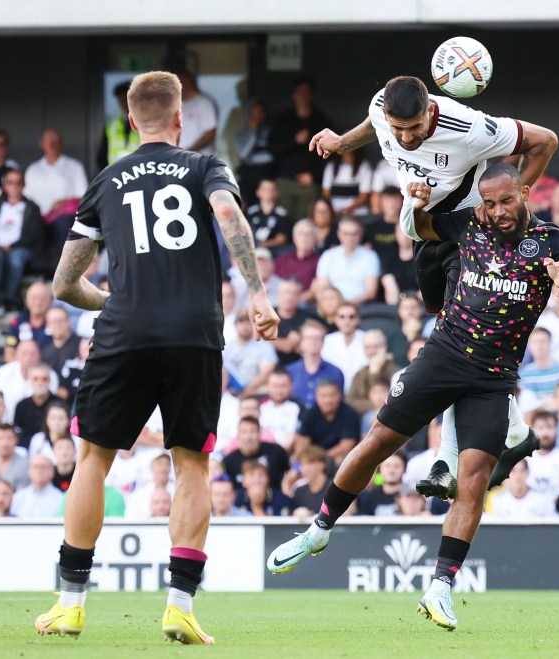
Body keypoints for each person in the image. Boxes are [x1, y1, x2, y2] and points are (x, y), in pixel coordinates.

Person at [266, 162, 559, 632]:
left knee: (473, 480)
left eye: (506, 201)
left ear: (525, 191)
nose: (497, 211)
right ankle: (318, 531)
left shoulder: (554, 242)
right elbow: (420, 227)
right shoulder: (469, 222)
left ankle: (440, 587)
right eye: (490, 202)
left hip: (494, 377)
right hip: (443, 356)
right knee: (378, 441)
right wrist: (414, 200)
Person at [35, 71, 280, 645]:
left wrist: (114, 302)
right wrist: (259, 295)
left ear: (128, 119)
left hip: (126, 331)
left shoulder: (105, 180)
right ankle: (180, 606)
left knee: (93, 459)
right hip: (195, 333)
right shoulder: (204, 167)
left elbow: (65, 283)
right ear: (180, 120)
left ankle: (70, 605)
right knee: (191, 462)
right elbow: (229, 217)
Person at [308, 76, 559, 505]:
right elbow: (373, 122)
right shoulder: (381, 108)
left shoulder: (470, 128)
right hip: (424, 230)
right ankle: (515, 433)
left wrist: (509, 202)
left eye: (413, 129)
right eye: (397, 128)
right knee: (446, 330)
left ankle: (445, 458)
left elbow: (545, 141)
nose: (404, 138)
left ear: (429, 112)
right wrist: (342, 142)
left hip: (469, 234)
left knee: (457, 339)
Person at [269, 79, 333, 218]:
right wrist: (294, 140)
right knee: (283, 221)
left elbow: (331, 154)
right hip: (285, 181)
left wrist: (313, 175)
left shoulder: (321, 121)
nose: (304, 96)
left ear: (312, 96)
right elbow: (273, 149)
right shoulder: (283, 120)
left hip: (310, 184)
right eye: (300, 92)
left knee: (307, 224)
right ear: (294, 96)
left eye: (307, 93)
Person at [0, 168, 46, 303]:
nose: (14, 186)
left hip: (20, 248)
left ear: (23, 185)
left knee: (15, 259)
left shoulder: (32, 207)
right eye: (10, 182)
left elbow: (34, 235)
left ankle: (8, 299)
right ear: (4, 186)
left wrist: (11, 246)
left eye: (18, 182)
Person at [23, 128, 88, 255]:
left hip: (63, 218)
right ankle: (37, 272)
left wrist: (63, 203)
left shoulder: (74, 167)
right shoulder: (33, 169)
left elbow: (84, 197)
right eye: (47, 140)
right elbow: (26, 199)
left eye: (55, 140)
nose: (51, 144)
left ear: (61, 143)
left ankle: (64, 271)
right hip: (39, 219)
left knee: (64, 225)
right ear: (41, 144)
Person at [286, 320, 345, 408]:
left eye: (317, 338)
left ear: (323, 342)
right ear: (301, 342)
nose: (313, 342)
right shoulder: (289, 371)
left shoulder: (335, 372)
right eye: (309, 338)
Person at [486, 460, 557, 519]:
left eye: (521, 471)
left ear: (528, 472)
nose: (518, 476)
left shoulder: (542, 499)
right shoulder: (498, 500)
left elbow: (552, 524)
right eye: (513, 471)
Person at [98, 81, 140, 169]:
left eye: (127, 99)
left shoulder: (147, 124)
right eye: (121, 100)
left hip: (140, 176)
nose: (125, 104)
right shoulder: (111, 126)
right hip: (115, 176)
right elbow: (102, 157)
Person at [246, 179, 292, 252]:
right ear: (258, 192)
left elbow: (281, 239)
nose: (268, 192)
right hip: (250, 249)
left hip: (272, 251)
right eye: (265, 189)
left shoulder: (282, 214)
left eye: (271, 189)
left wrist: (260, 245)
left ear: (277, 192)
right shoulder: (250, 212)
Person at [0, 423, 30, 490]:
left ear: (16, 440)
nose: (5, 443)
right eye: (1, 438)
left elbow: (23, 492)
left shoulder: (24, 464)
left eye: (9, 438)